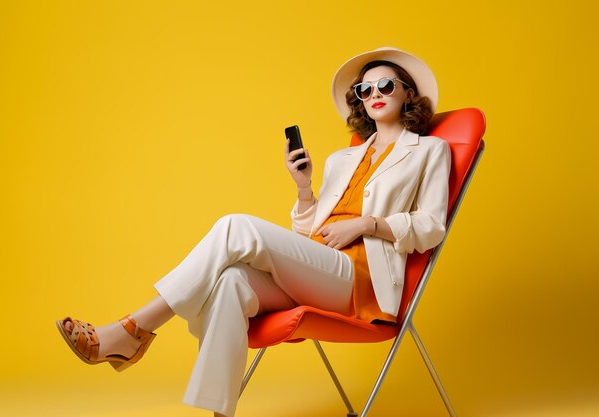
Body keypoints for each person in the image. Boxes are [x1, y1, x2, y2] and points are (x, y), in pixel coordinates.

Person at [56, 46, 451, 417]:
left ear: (407, 93)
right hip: (318, 266)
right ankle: (218, 411)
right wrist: (303, 187)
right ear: (359, 100)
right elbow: (308, 230)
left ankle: (133, 329)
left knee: (235, 225)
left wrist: (368, 223)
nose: (374, 94)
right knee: (230, 281)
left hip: (359, 283)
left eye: (386, 85)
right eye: (365, 89)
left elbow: (431, 227)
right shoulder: (341, 159)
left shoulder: (429, 151)